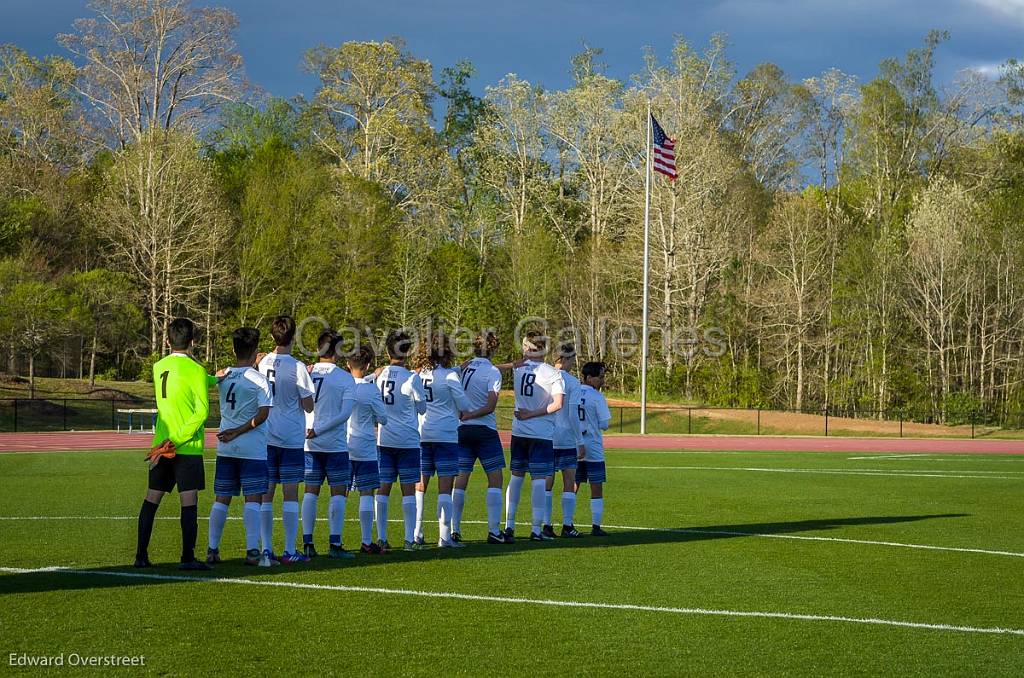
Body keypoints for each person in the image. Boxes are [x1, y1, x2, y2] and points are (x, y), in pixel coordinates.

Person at [135, 317, 214, 570]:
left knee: (151, 500)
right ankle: (187, 558)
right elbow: (200, 413)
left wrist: (215, 378)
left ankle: (140, 556)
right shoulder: (197, 370)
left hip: (161, 446)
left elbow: (182, 381)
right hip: (185, 446)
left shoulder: (159, 367)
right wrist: (177, 440)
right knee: (188, 502)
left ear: (168, 341)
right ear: (193, 342)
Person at [206, 328, 273, 566]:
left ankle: (212, 549)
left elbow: (216, 380)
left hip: (226, 446)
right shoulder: (260, 380)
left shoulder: (222, 377)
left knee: (221, 498)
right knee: (253, 499)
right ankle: (252, 551)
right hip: (251, 448)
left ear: (234, 350)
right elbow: (263, 414)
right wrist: (240, 431)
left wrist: (232, 431)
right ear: (256, 353)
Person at [257, 315, 315, 564]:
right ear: (294, 338)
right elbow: (309, 406)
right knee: (290, 493)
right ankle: (290, 550)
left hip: (266, 435)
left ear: (272, 337)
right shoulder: (298, 367)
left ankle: (266, 549)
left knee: (266, 494)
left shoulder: (262, 362)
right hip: (291, 436)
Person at [413, 331, 471, 548]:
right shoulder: (450, 377)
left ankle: (416, 533)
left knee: (420, 485)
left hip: (422, 433)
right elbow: (465, 406)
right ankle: (444, 537)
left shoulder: (417, 374)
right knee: (444, 487)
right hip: (446, 435)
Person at [302, 330, 356, 559]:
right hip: (333, 445)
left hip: (309, 444)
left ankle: (308, 543)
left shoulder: (306, 373)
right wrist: (320, 430)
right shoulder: (344, 378)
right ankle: (334, 543)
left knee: (310, 493)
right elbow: (345, 414)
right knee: (337, 494)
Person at [506, 330, 564, 542]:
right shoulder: (551, 372)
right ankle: (536, 529)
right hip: (540, 432)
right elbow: (558, 404)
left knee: (516, 477)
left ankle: (509, 526)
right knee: (539, 480)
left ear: (528, 348)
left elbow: (508, 365)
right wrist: (532, 413)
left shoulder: (518, 368)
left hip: (519, 430)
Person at [453, 331, 508, 544]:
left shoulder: (464, 367)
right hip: (484, 430)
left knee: (461, 480)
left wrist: (463, 415)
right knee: (495, 479)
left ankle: (454, 530)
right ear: (493, 349)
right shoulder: (492, 372)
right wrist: (471, 414)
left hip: (461, 429)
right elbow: (490, 406)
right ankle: (494, 531)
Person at [375, 330, 427, 552]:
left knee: (383, 490)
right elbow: (422, 408)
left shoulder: (380, 375)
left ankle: (382, 538)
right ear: (408, 351)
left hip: (384, 439)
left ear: (387, 351)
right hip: (407, 441)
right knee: (408, 492)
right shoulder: (412, 378)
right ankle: (408, 540)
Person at [346, 344, 388, 555]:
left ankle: (335, 540)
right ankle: (365, 540)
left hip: (342, 443)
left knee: (338, 493)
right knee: (366, 493)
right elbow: (383, 418)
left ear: (347, 363)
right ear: (369, 363)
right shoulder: (371, 390)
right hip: (365, 444)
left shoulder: (341, 384)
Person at [545, 344, 585, 538]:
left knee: (546, 482)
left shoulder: (544, 376)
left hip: (546, 435)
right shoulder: (573, 382)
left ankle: (546, 525)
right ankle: (567, 525)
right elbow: (573, 415)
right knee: (569, 481)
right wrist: (580, 441)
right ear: (566, 359)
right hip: (566, 437)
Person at [576, 361, 612, 536]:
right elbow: (604, 424)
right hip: (593, 445)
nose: (602, 381)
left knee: (573, 484)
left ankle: (568, 524)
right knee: (596, 486)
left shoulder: (573, 392)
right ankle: (596, 526)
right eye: (600, 377)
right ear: (589, 377)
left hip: (575, 444)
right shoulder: (597, 397)